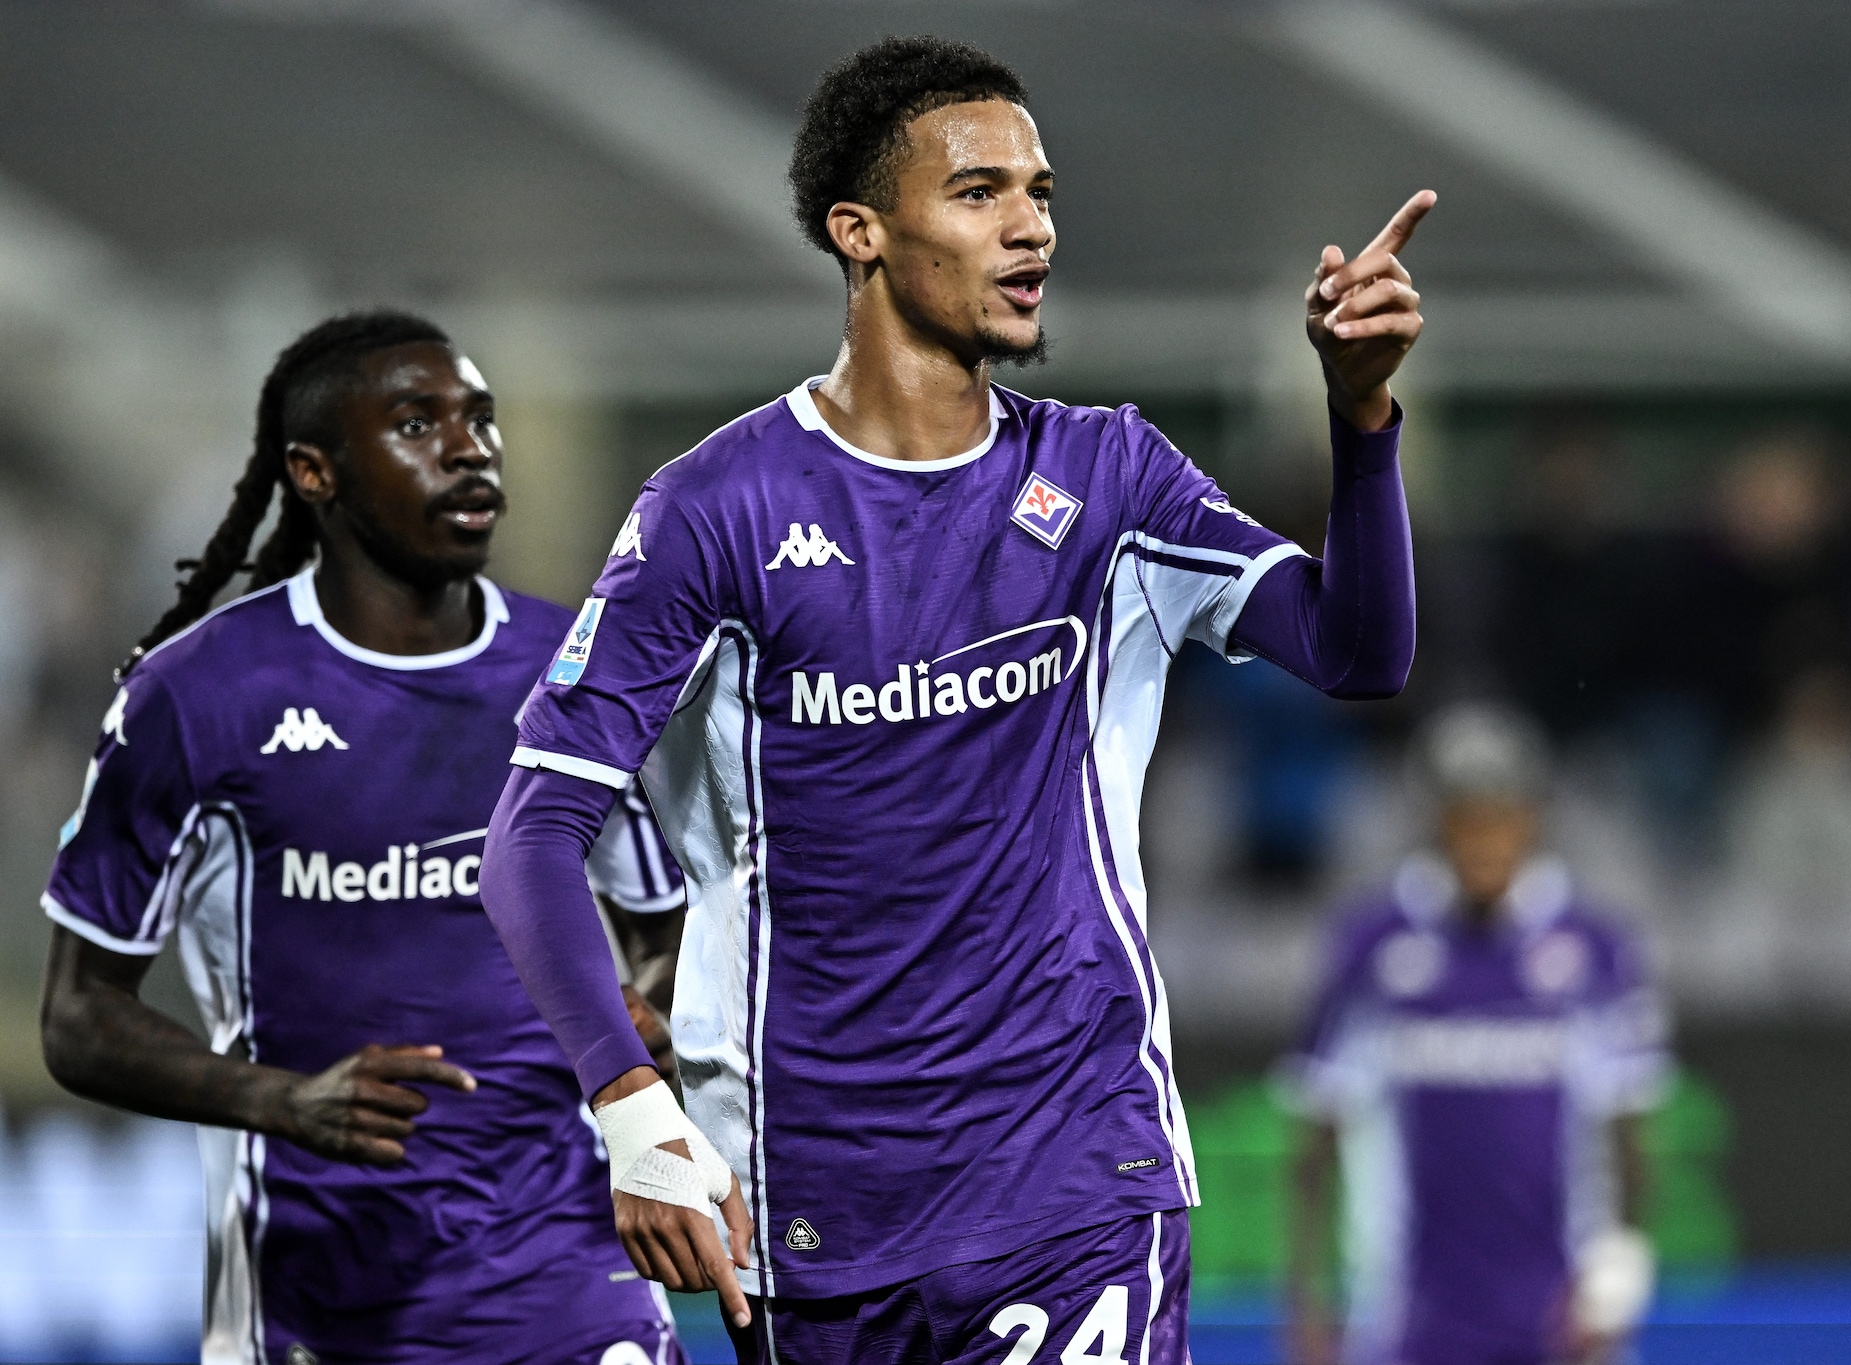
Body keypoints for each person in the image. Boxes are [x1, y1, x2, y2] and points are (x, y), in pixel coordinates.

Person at [480, 36, 1423, 1364]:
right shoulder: (716, 512)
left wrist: (1362, 416)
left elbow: (1360, 649)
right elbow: (527, 839)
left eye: (1039, 192)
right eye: (981, 193)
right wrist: (635, 1114)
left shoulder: (1111, 479)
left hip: (1077, 1177)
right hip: (814, 1205)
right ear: (857, 231)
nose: (1031, 226)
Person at [40, 311, 687, 1365]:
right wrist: (284, 1102)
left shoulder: (568, 670)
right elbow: (75, 1016)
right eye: (416, 423)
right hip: (321, 1292)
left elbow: (660, 919)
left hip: (564, 1264)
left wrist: (649, 1010)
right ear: (315, 473)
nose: (469, 445)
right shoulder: (200, 698)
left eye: (478, 419)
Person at [1284, 705, 1669, 1365]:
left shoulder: (1594, 948)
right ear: (1436, 825)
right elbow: (1318, 1135)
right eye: (1467, 819)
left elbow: (1630, 1137)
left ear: (1533, 820)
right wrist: (1307, 1305)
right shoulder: (1373, 944)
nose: (1485, 840)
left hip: (1559, 1320)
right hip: (1407, 1320)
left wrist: (1615, 1284)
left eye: (1503, 816)